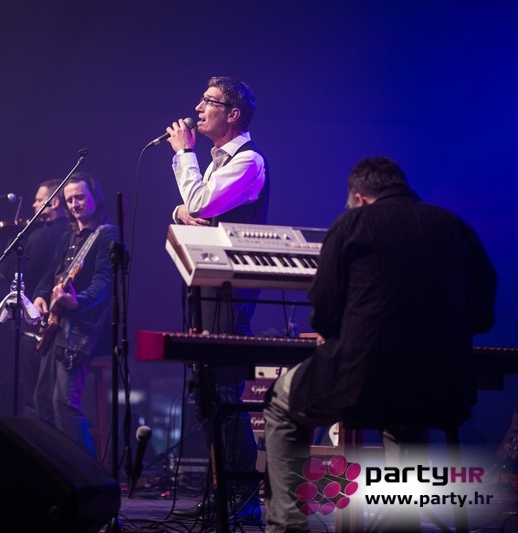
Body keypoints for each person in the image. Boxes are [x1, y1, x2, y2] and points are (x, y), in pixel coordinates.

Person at [263, 156, 497, 532]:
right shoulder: (455, 226)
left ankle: (288, 527)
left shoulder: (351, 225)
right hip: (443, 384)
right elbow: (484, 314)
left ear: (360, 198)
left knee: (280, 403)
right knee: (408, 413)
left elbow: (324, 314)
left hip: (361, 379)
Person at [164, 76, 269, 523]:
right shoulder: (218, 163)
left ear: (233, 114)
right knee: (206, 391)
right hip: (206, 281)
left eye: (210, 101)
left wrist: (182, 155)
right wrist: (182, 209)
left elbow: (200, 204)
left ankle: (242, 497)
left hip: (230, 287)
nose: (199, 108)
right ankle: (219, 491)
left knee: (223, 389)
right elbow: (190, 209)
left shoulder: (248, 161)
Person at [31, 173, 118, 456]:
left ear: (95, 197)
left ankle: (86, 473)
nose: (74, 204)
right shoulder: (67, 237)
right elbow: (50, 273)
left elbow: (104, 282)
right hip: (55, 325)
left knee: (64, 402)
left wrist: (76, 301)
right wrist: (41, 295)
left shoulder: (106, 235)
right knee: (43, 401)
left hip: (81, 327)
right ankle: (56, 467)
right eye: (69, 200)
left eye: (80, 197)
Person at [0, 179, 70, 416]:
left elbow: (18, 274)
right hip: (60, 324)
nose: (34, 205)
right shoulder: (70, 233)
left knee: (36, 400)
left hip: (34, 324)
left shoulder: (41, 236)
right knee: (53, 400)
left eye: (38, 200)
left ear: (53, 202)